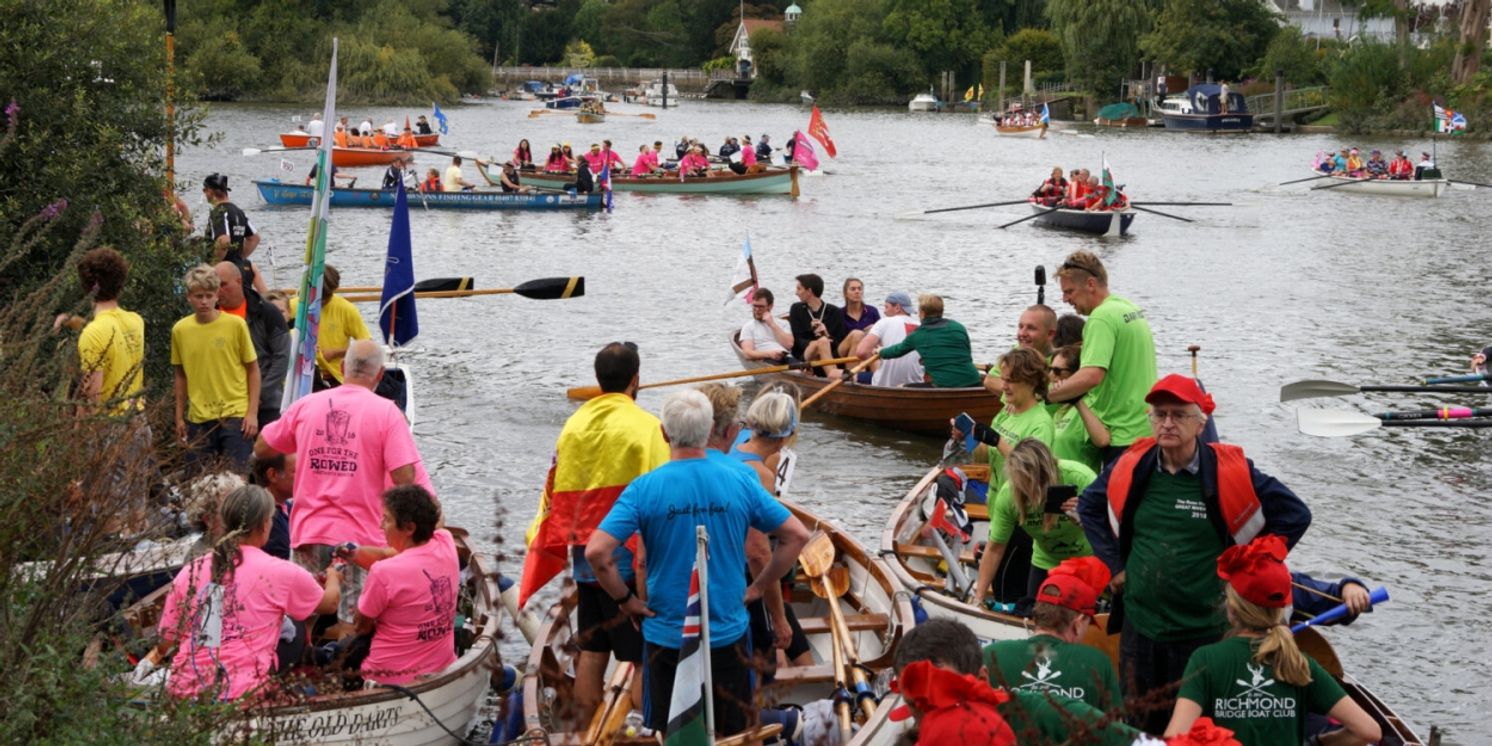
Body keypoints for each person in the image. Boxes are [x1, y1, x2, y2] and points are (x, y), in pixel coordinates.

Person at [1076, 375, 1313, 734]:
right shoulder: (1132, 464)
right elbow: (1090, 506)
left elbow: (1296, 515)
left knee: (1199, 732)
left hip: (1206, 632)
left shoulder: (1230, 472)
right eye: (1159, 414)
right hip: (1142, 630)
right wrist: (1114, 566)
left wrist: (1252, 564)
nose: (1167, 423)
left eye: (1178, 415)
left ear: (1201, 422)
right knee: (1140, 727)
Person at [585, 390, 810, 738]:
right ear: (711, 429)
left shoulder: (644, 488)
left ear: (663, 432)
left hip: (667, 633)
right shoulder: (741, 479)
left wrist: (626, 600)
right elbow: (796, 536)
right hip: (727, 632)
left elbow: (597, 553)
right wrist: (759, 586)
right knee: (732, 732)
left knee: (672, 732)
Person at [521, 342, 668, 725]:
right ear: (637, 380)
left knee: (593, 649)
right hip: (626, 562)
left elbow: (556, 489)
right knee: (642, 658)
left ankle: (584, 730)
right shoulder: (646, 426)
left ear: (598, 380)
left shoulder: (575, 425)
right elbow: (659, 492)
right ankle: (642, 729)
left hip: (586, 558)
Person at [254, 340, 435, 629]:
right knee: (350, 624)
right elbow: (405, 480)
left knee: (303, 618)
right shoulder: (387, 413)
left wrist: (303, 441)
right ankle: (345, 672)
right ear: (379, 376)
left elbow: (262, 446)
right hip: (358, 541)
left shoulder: (307, 405)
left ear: (342, 368)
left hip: (307, 533)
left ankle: (300, 670)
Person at [1165, 536, 1382, 745]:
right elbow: (1369, 732)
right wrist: (1318, 742)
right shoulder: (1302, 664)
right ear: (1282, 612)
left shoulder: (1204, 659)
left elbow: (1175, 738)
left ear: (1231, 610)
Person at [140, 485, 339, 701]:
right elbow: (329, 604)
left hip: (186, 690)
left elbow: (166, 642)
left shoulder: (192, 570)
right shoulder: (280, 571)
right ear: (264, 525)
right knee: (294, 630)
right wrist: (334, 576)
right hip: (242, 694)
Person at [890, 618, 1139, 745]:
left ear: (982, 679)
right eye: (917, 704)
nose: (931, 717)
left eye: (943, 698)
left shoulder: (1047, 713)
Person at [701, 385, 808, 672]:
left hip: (713, 565)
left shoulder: (729, 448)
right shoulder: (758, 474)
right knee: (775, 642)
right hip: (742, 575)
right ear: (784, 437)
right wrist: (775, 612)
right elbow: (758, 553)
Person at [1047, 251, 1156, 464]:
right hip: (1148, 428)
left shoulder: (1101, 317)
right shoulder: (1129, 308)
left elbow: (1091, 375)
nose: (1065, 299)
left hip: (1123, 435)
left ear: (1090, 284)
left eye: (1069, 291)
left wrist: (1047, 396)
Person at [982, 556, 1120, 712]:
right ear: (1078, 622)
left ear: (1037, 612)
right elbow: (1116, 730)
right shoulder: (1097, 663)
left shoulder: (991, 654)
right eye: (1088, 623)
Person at [351, 485, 459, 685]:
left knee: (339, 651)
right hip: (441, 666)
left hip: (386, 677)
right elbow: (439, 519)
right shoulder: (446, 542)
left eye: (388, 519)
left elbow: (361, 626)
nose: (381, 526)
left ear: (410, 528)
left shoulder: (383, 572)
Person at [970, 439, 1095, 611]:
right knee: (1035, 615)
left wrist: (1086, 519)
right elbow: (995, 549)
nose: (1030, 491)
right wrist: (978, 600)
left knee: (1079, 615)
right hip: (1045, 558)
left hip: (1088, 558)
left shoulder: (1082, 478)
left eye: (1035, 483)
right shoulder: (1008, 495)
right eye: (1023, 484)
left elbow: (1115, 529)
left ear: (1050, 471)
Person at [172, 265, 260, 473]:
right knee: (197, 483)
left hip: (234, 414)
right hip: (199, 417)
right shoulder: (180, 330)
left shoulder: (235, 325)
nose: (204, 302)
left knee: (235, 481)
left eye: (209, 296)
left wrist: (252, 413)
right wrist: (178, 416)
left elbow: (253, 369)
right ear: (189, 297)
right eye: (198, 296)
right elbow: (180, 375)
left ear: (217, 296)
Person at [71, 247, 146, 415]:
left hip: (110, 425)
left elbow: (93, 397)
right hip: (139, 419)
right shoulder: (136, 321)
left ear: (86, 285)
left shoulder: (93, 332)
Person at [214, 261, 288, 427]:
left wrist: (259, 397)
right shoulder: (210, 314)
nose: (218, 291)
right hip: (226, 403)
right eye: (214, 285)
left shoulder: (267, 311)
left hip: (266, 402)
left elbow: (282, 357)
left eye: (223, 285)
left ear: (239, 281)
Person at [286, 264, 370, 387]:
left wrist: (336, 353)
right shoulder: (292, 307)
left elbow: (367, 347)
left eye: (326, 297)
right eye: (316, 297)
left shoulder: (347, 309)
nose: (321, 301)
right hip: (298, 375)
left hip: (334, 376)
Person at [879, 294, 982, 388]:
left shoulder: (918, 334)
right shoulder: (958, 327)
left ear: (923, 313)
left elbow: (896, 351)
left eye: (919, 312)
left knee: (900, 387)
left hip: (944, 386)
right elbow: (967, 353)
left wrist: (880, 351)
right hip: (973, 381)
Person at [1048, 343, 1109, 474]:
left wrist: (1077, 399)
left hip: (1079, 486)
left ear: (1076, 374)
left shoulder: (1089, 406)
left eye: (1057, 371)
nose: (1051, 376)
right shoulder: (1058, 406)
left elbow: (1103, 440)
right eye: (1050, 369)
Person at [202, 173, 265, 293]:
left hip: (224, 276)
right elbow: (255, 238)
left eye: (205, 190)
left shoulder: (219, 212)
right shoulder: (238, 212)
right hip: (240, 270)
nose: (204, 194)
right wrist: (239, 258)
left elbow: (224, 240)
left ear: (210, 191)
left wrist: (212, 267)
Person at [854, 291, 923, 387]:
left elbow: (861, 352)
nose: (884, 311)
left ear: (897, 308)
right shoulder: (921, 326)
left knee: (834, 374)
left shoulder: (884, 322)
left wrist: (876, 355)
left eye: (886, 307)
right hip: (915, 384)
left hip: (885, 383)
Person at [786, 273, 847, 378]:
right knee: (822, 342)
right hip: (805, 355)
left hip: (831, 356)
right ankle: (835, 377)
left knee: (857, 334)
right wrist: (813, 333)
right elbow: (798, 340)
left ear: (809, 291)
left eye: (799, 289)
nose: (796, 293)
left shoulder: (834, 311)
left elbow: (838, 343)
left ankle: (855, 378)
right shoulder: (796, 309)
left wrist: (827, 334)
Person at [251, 451, 296, 561]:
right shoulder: (263, 516)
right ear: (273, 475)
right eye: (296, 471)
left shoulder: (289, 508)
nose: (303, 478)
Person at [738, 288, 793, 362]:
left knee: (804, 367)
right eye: (754, 306)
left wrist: (772, 324)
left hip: (787, 358)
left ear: (770, 306)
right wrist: (769, 354)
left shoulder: (783, 323)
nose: (757, 310)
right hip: (767, 359)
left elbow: (789, 345)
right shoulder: (748, 327)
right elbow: (747, 353)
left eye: (761, 307)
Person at [835, 277, 880, 358]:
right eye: (853, 289)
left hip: (867, 351)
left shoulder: (872, 311)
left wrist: (873, 330)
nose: (857, 291)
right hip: (844, 352)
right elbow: (836, 340)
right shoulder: (838, 314)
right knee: (857, 334)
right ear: (845, 293)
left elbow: (881, 336)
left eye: (859, 289)